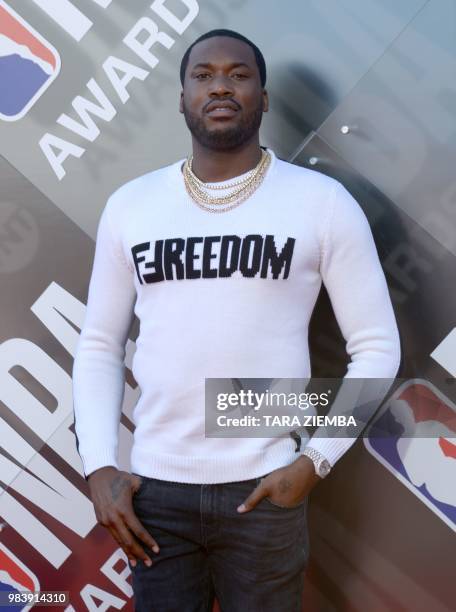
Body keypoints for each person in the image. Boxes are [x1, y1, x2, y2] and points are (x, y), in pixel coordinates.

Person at [72, 28, 401, 612]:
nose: (220, 85)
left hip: (265, 490)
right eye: (202, 75)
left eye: (239, 74)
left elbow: (376, 346)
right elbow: (100, 344)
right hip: (154, 496)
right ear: (180, 98)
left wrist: (314, 462)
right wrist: (100, 466)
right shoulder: (132, 204)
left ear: (264, 97)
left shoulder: (320, 202)